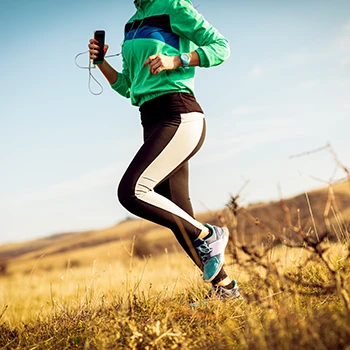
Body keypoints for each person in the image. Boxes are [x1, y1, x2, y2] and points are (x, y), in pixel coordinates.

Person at [88, 0, 240, 300]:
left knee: (132, 191)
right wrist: (102, 64)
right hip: (151, 119)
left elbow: (221, 47)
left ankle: (211, 235)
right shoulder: (132, 24)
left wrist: (178, 60)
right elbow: (129, 86)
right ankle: (225, 289)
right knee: (180, 214)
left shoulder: (173, 6)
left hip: (178, 113)